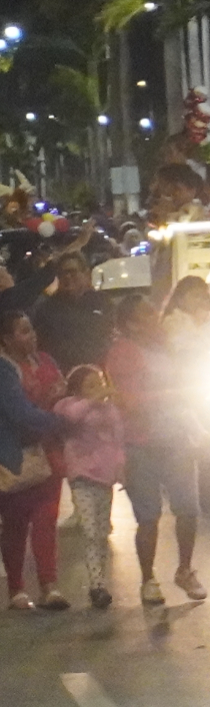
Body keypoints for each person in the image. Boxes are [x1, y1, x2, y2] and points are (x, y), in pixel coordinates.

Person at [105, 295, 206, 606]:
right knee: (148, 516)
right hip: (141, 443)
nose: (156, 316)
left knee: (188, 508)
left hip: (176, 438)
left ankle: (185, 569)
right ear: (132, 323)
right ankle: (148, 578)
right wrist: (175, 394)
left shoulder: (167, 347)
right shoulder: (122, 353)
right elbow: (129, 400)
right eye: (147, 313)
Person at [0, 311, 69, 610]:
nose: (32, 336)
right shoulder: (5, 370)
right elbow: (19, 413)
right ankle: (16, 589)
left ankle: (49, 585)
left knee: (45, 520)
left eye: (31, 330)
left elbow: (62, 394)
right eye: (23, 331)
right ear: (6, 338)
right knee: (15, 524)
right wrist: (57, 418)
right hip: (16, 454)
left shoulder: (46, 361)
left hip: (48, 452)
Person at [55, 365, 124, 609]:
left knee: (102, 530)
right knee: (90, 529)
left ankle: (100, 579)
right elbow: (70, 418)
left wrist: (120, 466)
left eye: (99, 383)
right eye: (90, 385)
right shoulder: (68, 405)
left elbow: (118, 440)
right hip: (81, 475)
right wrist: (92, 400)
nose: (98, 389)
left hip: (104, 477)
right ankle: (96, 586)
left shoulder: (110, 410)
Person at [32, 252, 113, 371]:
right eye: (63, 273)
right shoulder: (47, 309)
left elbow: (111, 333)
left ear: (86, 273)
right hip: (68, 373)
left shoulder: (102, 301)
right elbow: (47, 347)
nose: (68, 276)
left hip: (104, 369)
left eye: (72, 271)